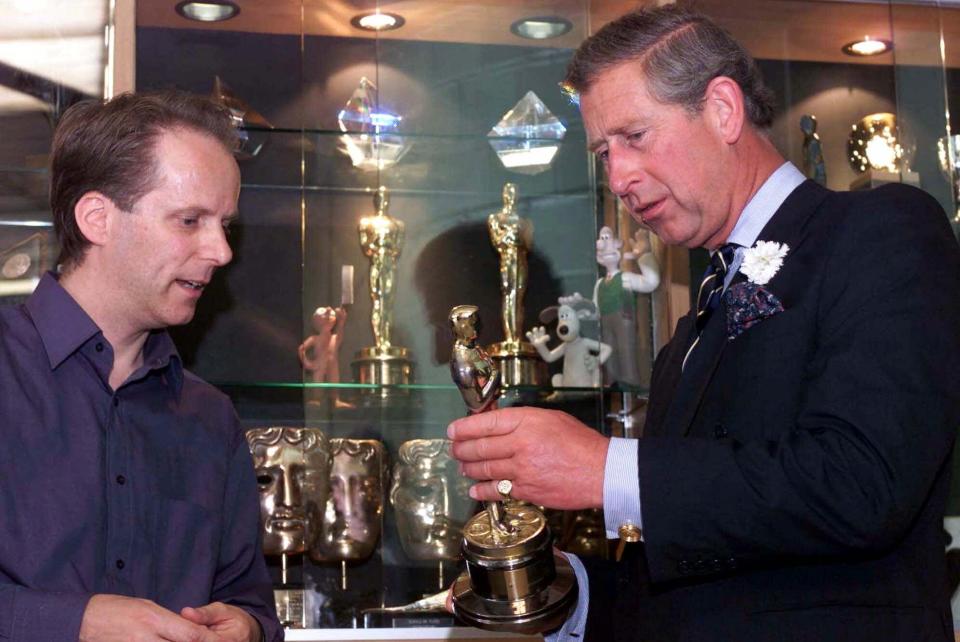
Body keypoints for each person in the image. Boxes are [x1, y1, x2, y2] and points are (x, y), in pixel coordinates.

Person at [447, 6, 960, 641]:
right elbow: (698, 575)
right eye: (604, 152)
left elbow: (862, 483)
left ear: (722, 108)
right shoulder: (689, 333)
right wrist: (566, 590)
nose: (620, 178)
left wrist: (603, 469)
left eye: (634, 136)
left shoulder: (882, 231)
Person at [0, 90, 282, 641]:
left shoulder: (210, 417)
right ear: (98, 218)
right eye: (189, 220)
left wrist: (246, 627)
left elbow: (251, 601)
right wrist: (71, 624)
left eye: (224, 223)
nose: (221, 251)